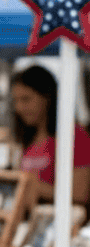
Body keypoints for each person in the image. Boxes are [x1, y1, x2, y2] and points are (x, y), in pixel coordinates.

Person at [11, 64, 90, 207]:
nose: (19, 108)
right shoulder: (28, 138)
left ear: (47, 97)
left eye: (26, 99)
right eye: (16, 101)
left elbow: (80, 194)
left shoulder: (74, 136)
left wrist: (35, 187)